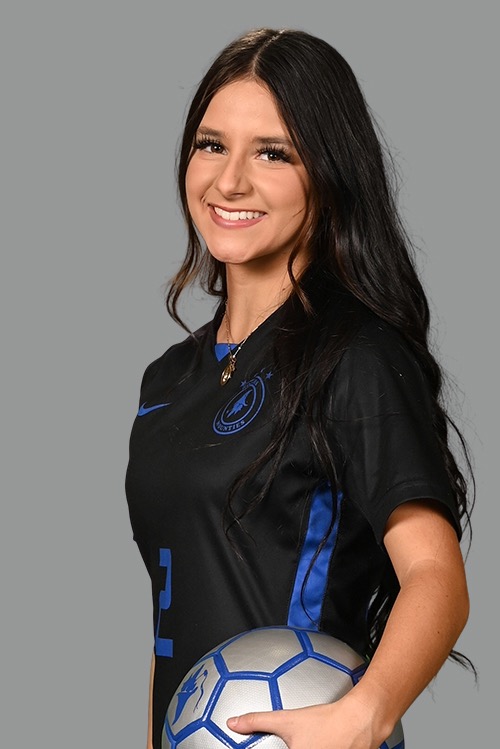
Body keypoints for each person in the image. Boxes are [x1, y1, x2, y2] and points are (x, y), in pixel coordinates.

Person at [125, 28, 475, 749]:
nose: (230, 182)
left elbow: (436, 575)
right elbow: (172, 613)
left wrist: (363, 714)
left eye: (273, 153)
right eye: (212, 144)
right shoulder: (165, 381)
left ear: (329, 173)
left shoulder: (354, 358)